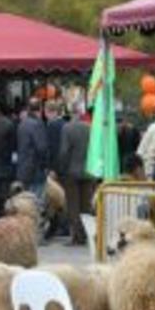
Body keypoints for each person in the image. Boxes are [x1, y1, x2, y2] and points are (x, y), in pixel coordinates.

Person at [58, 102, 94, 246]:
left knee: (73, 205)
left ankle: (77, 236)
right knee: (86, 205)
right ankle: (86, 234)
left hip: (71, 172)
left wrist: (61, 168)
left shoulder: (67, 128)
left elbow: (64, 151)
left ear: (71, 113)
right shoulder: (90, 128)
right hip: (88, 171)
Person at [16, 98, 49, 202]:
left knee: (25, 201)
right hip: (35, 170)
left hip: (23, 170)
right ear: (40, 109)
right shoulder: (38, 124)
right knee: (36, 202)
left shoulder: (21, 124)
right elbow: (42, 148)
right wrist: (45, 165)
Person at [44, 101, 65, 175]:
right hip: (64, 164)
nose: (45, 115)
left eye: (46, 112)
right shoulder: (65, 124)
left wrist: (50, 167)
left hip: (55, 166)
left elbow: (52, 148)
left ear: (53, 112)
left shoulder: (51, 126)